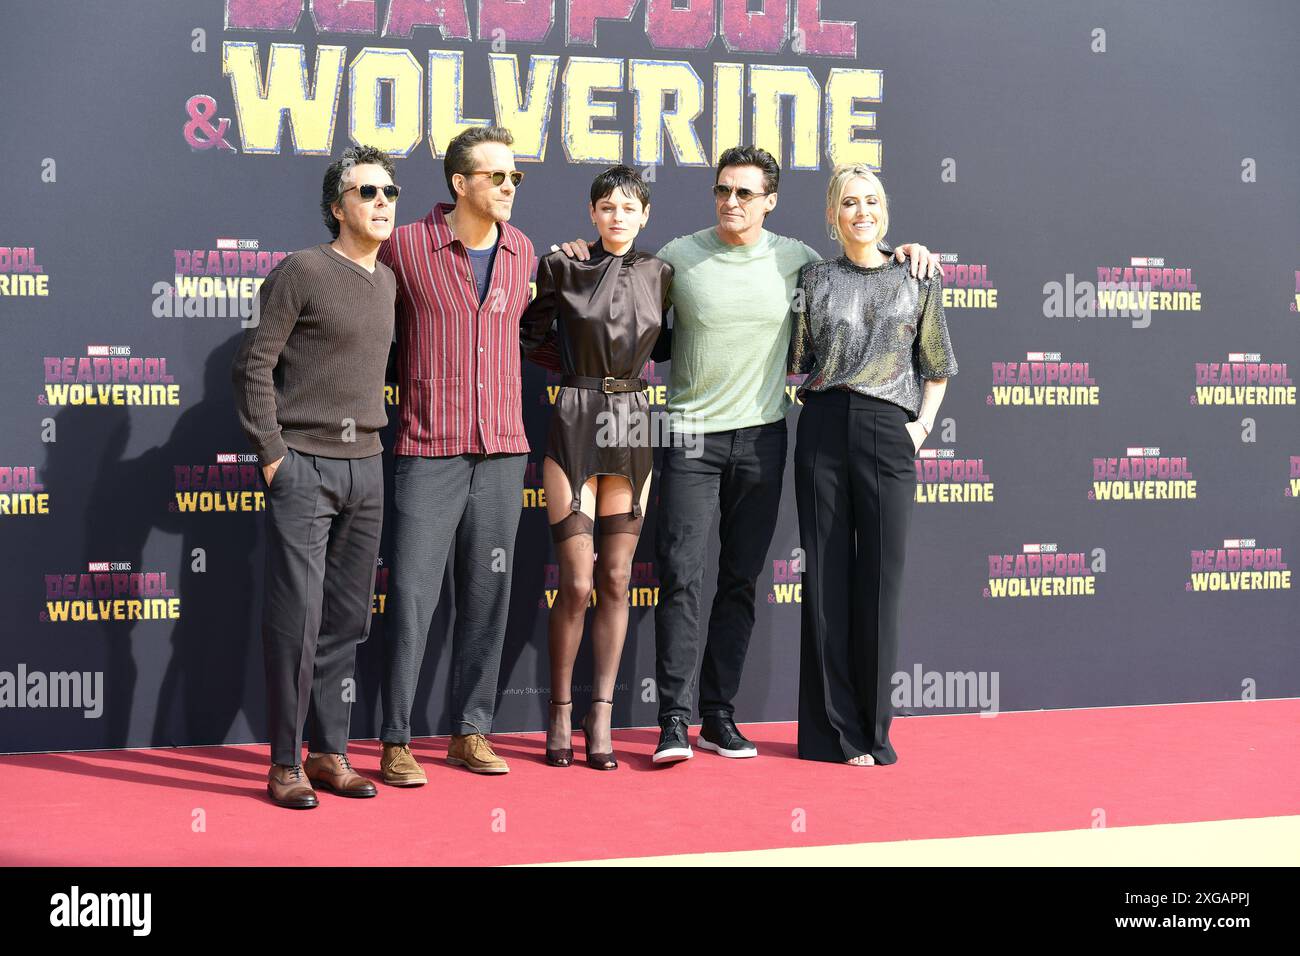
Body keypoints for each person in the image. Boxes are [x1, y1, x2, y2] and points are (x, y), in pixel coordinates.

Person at [563, 146, 940, 764]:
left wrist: (910, 254)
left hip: (764, 437)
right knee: (683, 577)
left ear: (769, 201)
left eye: (744, 193)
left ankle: (719, 716)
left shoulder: (800, 263)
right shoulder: (679, 256)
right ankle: (675, 722)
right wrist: (582, 251)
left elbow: (862, 267)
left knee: (739, 581)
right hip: (688, 436)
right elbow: (619, 272)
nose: (731, 202)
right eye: (722, 191)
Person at [377, 125, 553, 781]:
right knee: (414, 599)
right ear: (460, 183)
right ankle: (396, 737)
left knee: (489, 597)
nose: (510, 187)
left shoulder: (523, 251)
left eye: (516, 177)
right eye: (497, 176)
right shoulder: (406, 248)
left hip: (505, 450)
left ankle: (470, 732)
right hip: (428, 447)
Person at [232, 145, 399, 808]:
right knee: (297, 619)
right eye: (367, 192)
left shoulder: (387, 281)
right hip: (303, 467)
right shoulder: (300, 270)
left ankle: (330, 754)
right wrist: (274, 459)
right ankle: (283, 764)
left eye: (389, 191)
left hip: (368, 471)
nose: (382, 202)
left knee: (348, 622)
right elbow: (252, 369)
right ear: (337, 206)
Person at [789, 164, 957, 766]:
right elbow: (798, 356)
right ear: (833, 215)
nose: (863, 211)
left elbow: (935, 363)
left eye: (872, 201)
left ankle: (874, 730)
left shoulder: (918, 275)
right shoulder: (814, 276)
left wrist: (920, 428)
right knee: (827, 579)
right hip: (825, 426)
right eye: (850, 203)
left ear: (885, 209)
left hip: (891, 431)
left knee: (881, 582)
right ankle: (832, 733)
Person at [520, 166, 673, 770]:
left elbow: (666, 345)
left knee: (616, 579)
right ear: (592, 213)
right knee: (578, 583)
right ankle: (560, 709)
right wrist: (579, 369)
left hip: (633, 421)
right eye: (606, 206)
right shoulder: (560, 266)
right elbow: (531, 337)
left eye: (628, 207)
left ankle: (600, 712)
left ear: (644, 215)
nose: (617, 215)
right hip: (576, 416)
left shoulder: (663, 275)